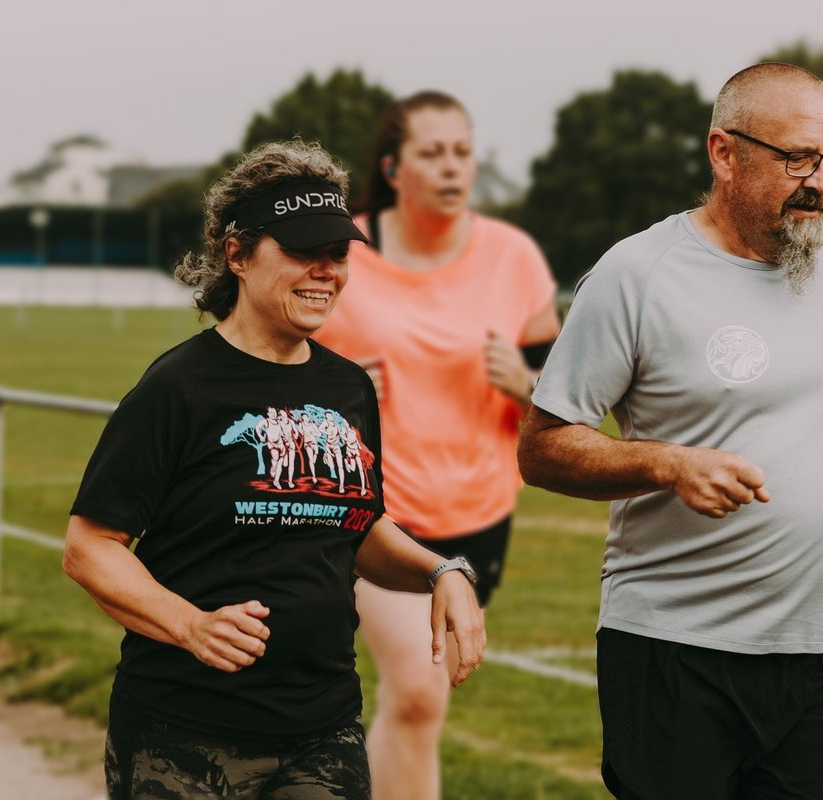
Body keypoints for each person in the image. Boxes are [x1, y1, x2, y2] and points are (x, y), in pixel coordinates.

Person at [517, 63, 823, 800]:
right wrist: (665, 464)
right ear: (724, 153)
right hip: (674, 650)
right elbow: (543, 446)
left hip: (819, 645)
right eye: (797, 157)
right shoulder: (637, 276)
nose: (822, 183)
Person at [61, 139, 486, 800]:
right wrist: (190, 625)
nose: (326, 272)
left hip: (323, 730)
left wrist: (441, 571)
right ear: (238, 254)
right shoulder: (177, 388)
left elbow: (354, 526)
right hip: (183, 732)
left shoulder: (348, 389)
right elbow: (89, 548)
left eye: (338, 253)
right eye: (302, 251)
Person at [314, 90, 560, 799]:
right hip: (371, 515)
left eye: (462, 151)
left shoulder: (512, 257)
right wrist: (336, 382)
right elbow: (269, 359)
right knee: (420, 696)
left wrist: (525, 384)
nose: (452, 167)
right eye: (432, 153)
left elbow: (566, 391)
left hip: (479, 516)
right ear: (394, 167)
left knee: (410, 707)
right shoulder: (342, 254)